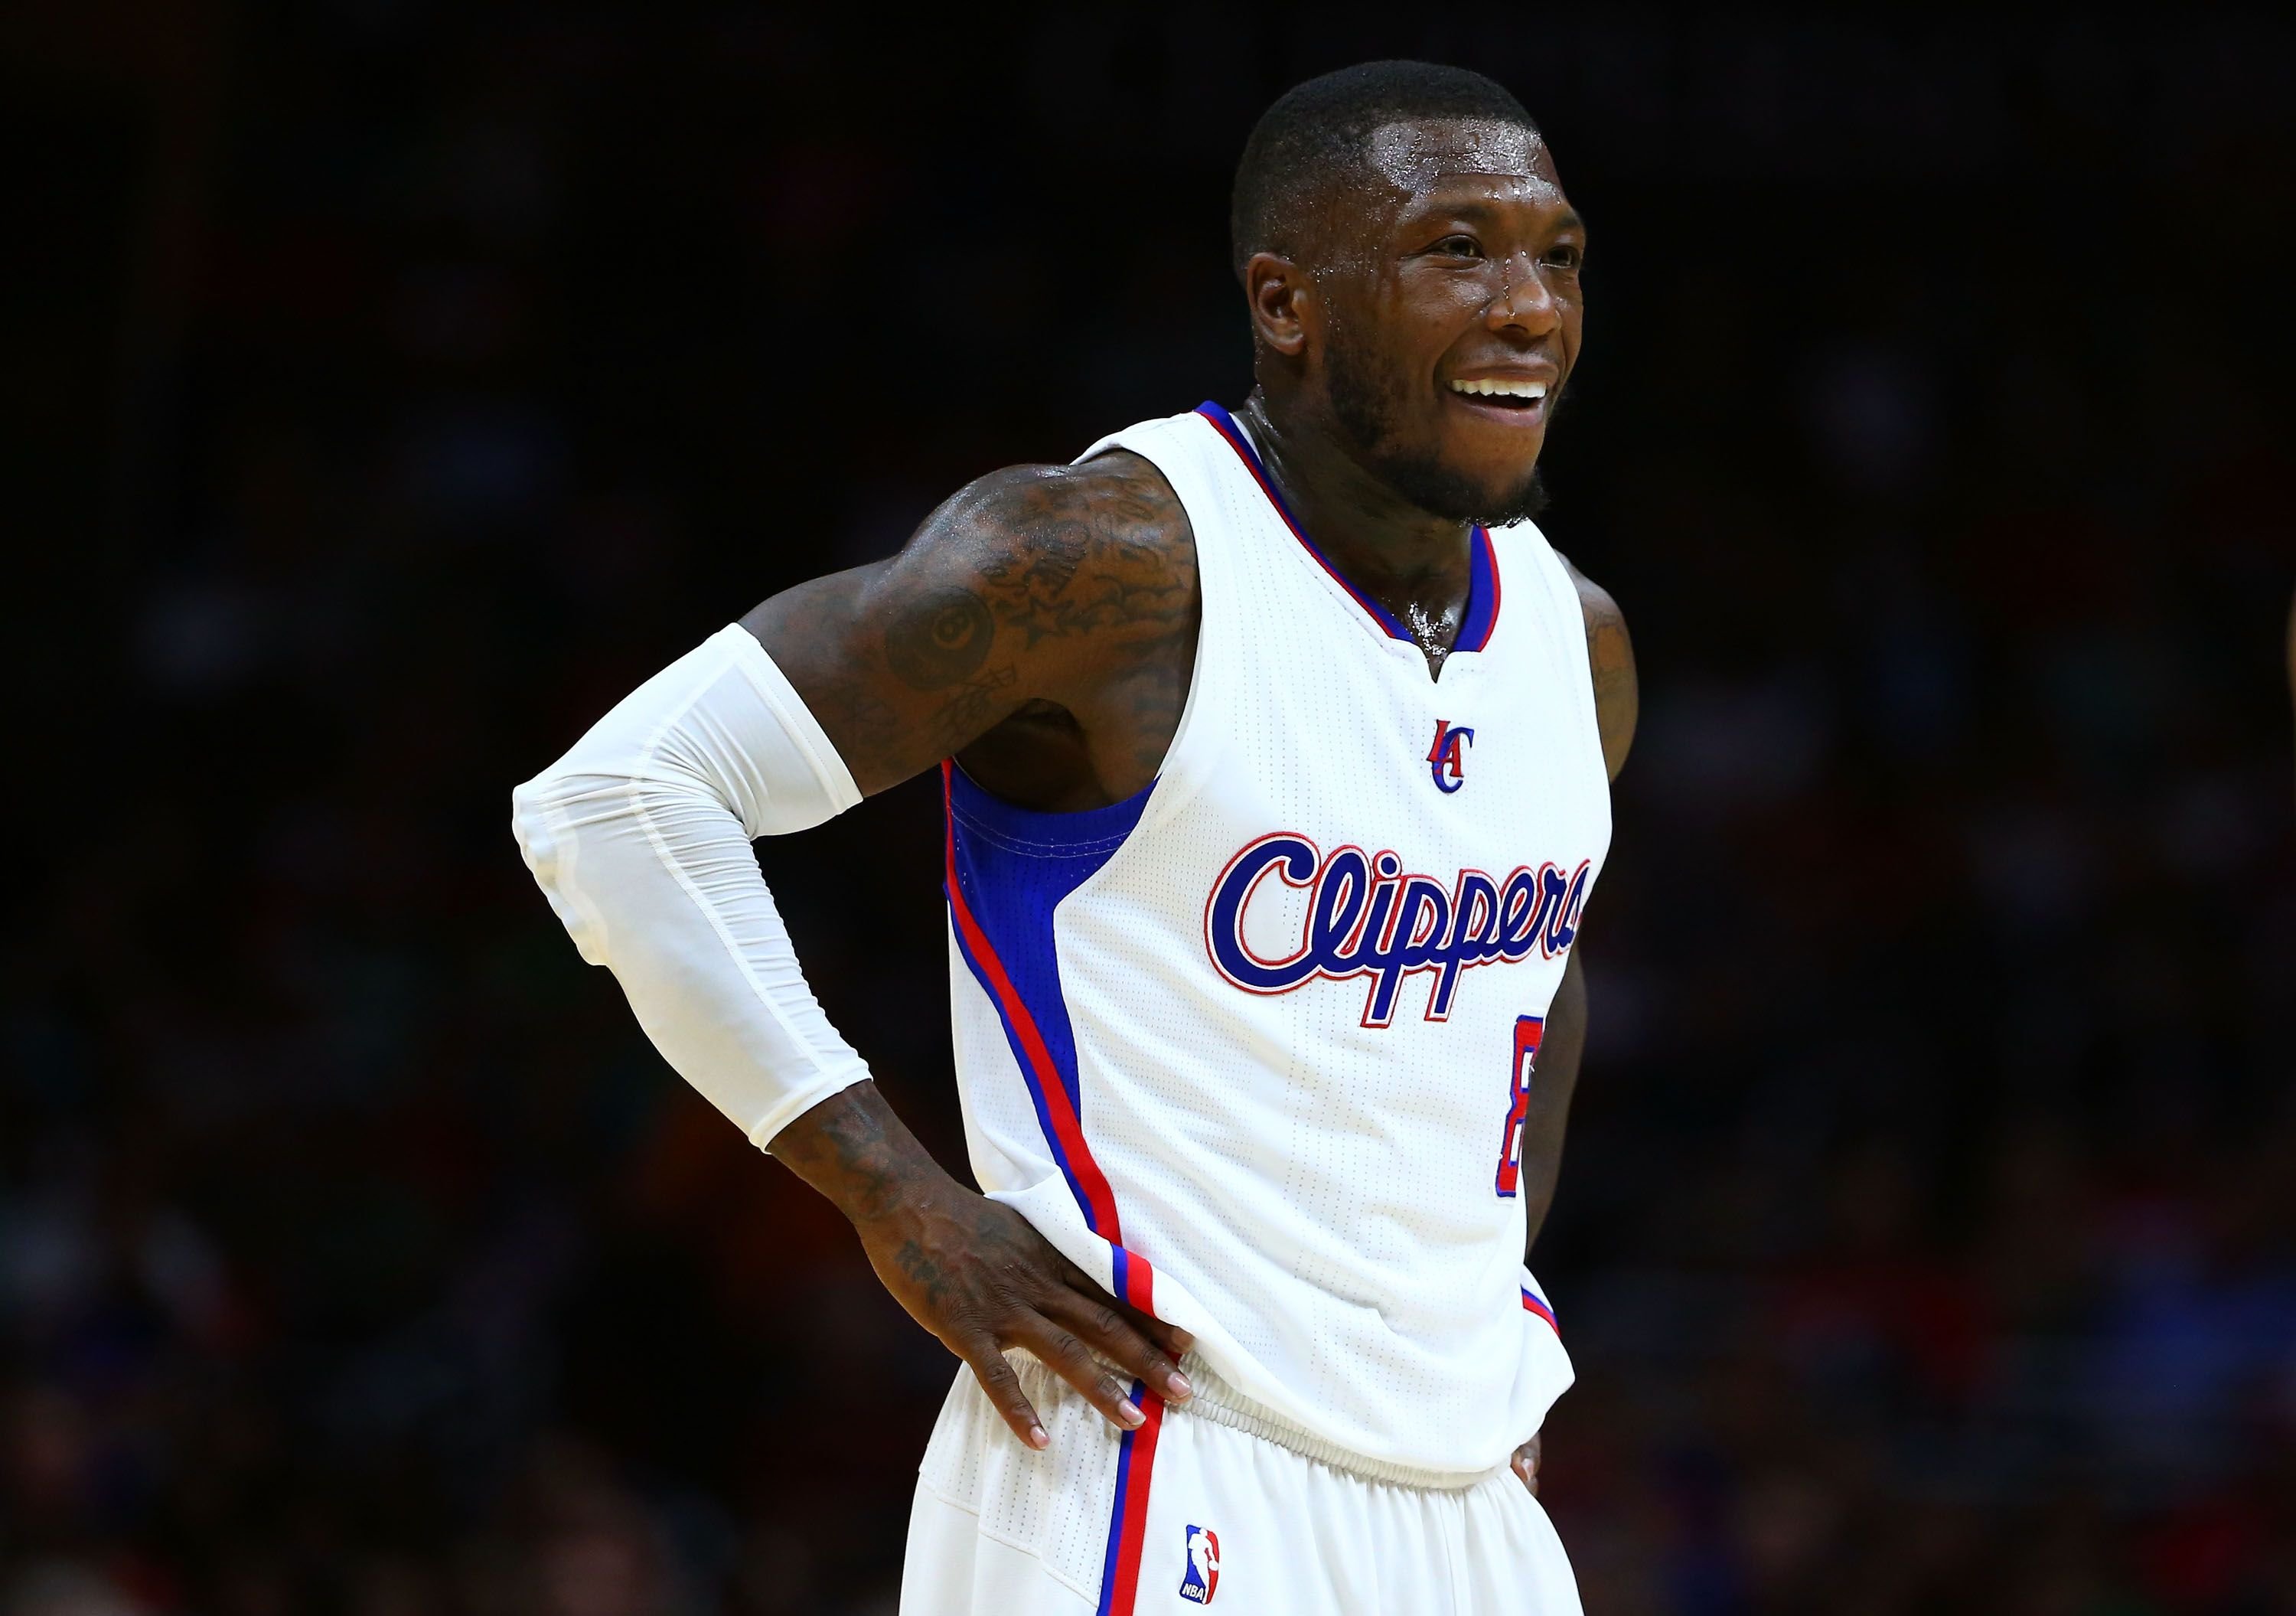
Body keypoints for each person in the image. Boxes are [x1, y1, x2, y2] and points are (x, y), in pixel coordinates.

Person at [512, 60, 1636, 1615]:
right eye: (1458, 248)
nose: (1529, 305)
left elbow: (1530, 990)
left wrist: (1489, 1318)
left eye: (1558, 256)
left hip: (1465, 1499)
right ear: (1286, 301)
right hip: (1157, 1447)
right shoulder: (1101, 564)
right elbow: (615, 800)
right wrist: (896, 1201)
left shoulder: (1574, 645)